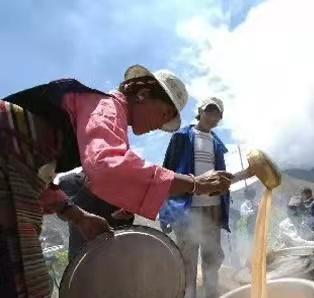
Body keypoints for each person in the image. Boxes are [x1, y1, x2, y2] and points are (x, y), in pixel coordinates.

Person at [0, 65, 232, 298]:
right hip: (7, 164)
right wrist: (194, 184)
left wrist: (78, 216)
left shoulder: (99, 121)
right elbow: (108, 166)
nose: (160, 126)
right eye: (164, 114)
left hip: (17, 174)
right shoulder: (107, 107)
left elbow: (41, 180)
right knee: (27, 284)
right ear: (143, 95)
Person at [159, 97, 230, 298]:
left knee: (212, 257)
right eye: (210, 111)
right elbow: (167, 174)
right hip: (187, 208)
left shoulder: (217, 144)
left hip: (213, 208)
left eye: (217, 113)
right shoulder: (182, 136)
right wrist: (165, 212)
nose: (213, 116)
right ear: (200, 111)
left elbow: (220, 176)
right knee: (187, 259)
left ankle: (211, 294)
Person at [58, 171, 135, 261]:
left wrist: (120, 217)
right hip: (80, 255)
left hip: (110, 256)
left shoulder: (116, 189)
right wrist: (87, 191)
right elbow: (62, 214)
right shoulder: (69, 181)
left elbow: (120, 228)